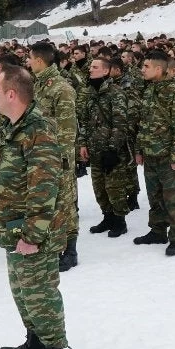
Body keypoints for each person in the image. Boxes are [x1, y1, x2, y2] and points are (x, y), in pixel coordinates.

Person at [0, 64, 69, 349]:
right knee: (23, 292)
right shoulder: (17, 127)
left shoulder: (38, 131)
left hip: (33, 232)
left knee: (40, 295)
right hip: (16, 228)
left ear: (11, 94)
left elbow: (44, 187)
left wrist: (33, 236)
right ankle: (34, 343)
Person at [28, 43, 80, 271]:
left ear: (39, 60)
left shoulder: (61, 89)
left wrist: (59, 159)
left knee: (64, 203)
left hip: (58, 157)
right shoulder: (38, 85)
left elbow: (67, 131)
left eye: (30, 58)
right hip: (38, 154)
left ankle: (70, 249)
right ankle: (51, 242)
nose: (28, 62)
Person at [133, 51, 175, 255]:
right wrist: (139, 150)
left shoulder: (174, 91)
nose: (142, 70)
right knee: (154, 197)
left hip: (168, 156)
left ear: (159, 69)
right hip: (150, 155)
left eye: (146, 66)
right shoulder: (149, 90)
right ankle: (157, 231)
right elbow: (143, 123)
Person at [78, 57, 131, 238]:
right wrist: (83, 143)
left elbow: (120, 124)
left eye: (95, 67)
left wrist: (112, 148)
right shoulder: (89, 93)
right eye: (90, 66)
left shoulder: (116, 93)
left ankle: (119, 221)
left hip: (111, 151)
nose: (90, 70)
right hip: (94, 149)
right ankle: (107, 217)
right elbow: (83, 121)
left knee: (114, 187)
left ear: (106, 71)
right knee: (99, 187)